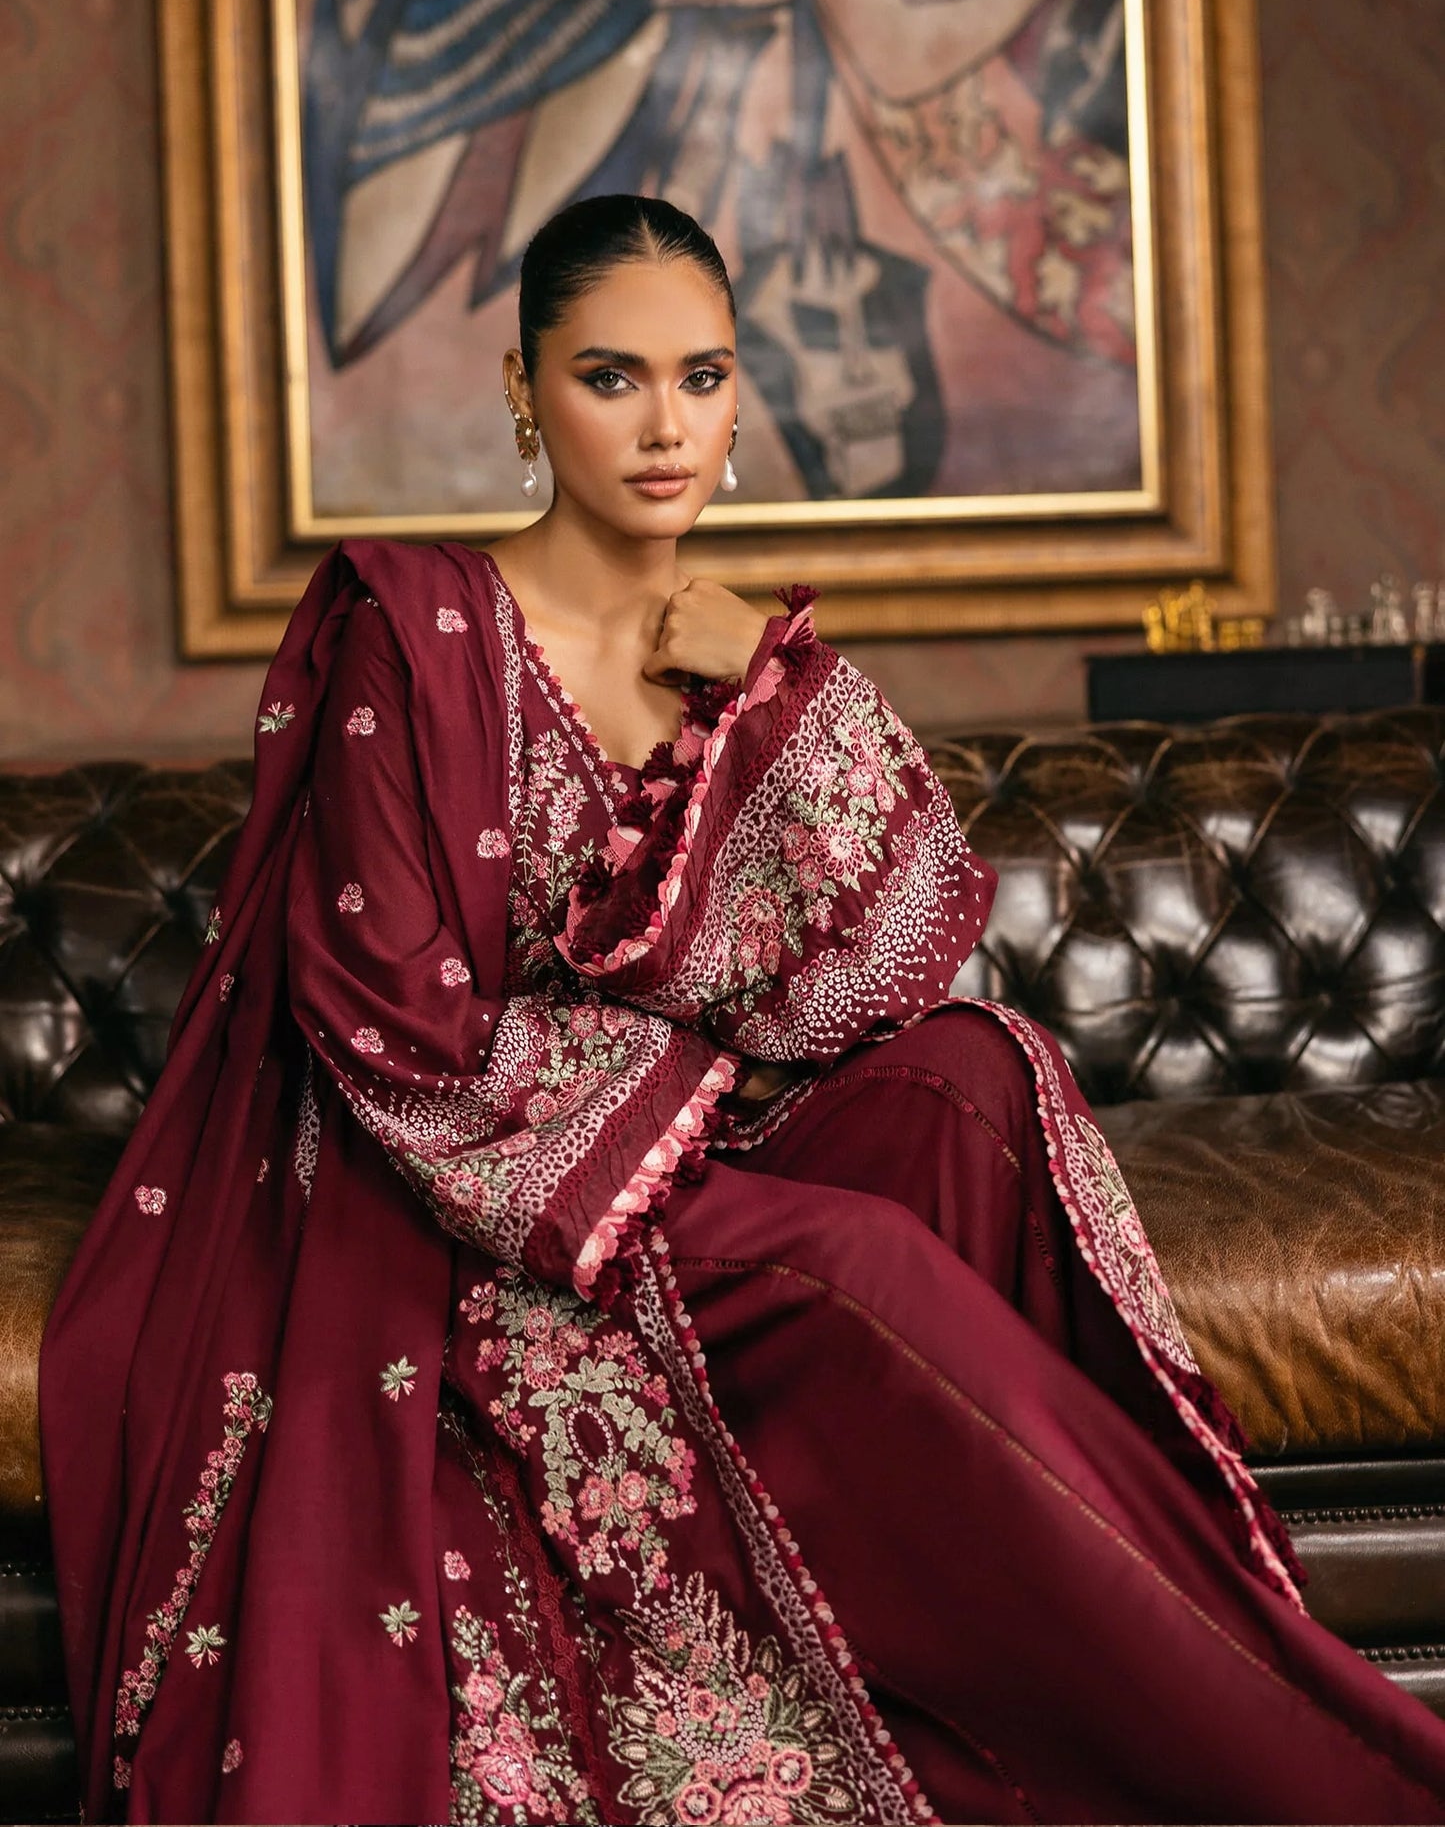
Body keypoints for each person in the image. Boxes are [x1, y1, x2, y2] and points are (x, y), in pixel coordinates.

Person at [40, 196, 1445, 1827]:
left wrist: (786, 679)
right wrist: (669, 1100)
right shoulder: (411, 635)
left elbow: (886, 955)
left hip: (686, 1146)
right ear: (521, 390)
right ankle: (1322, 1776)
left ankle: (1099, 1673)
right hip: (482, 1204)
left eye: (700, 376)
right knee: (855, 1267)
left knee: (977, 1066)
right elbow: (388, 1032)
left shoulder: (737, 654)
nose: (664, 428)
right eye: (610, 377)